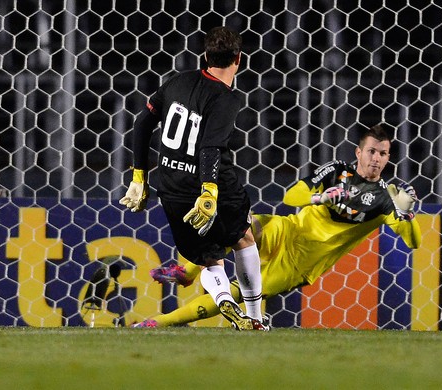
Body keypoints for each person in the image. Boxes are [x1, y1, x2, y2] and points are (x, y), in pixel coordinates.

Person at [132, 125, 422, 328]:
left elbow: (413, 242)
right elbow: (291, 195)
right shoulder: (336, 171)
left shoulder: (386, 199)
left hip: (300, 263)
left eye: (383, 154)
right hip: (289, 229)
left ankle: (159, 321)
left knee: (235, 294)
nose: (376, 159)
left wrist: (408, 216)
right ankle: (187, 271)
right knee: (244, 224)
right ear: (358, 153)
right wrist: (321, 197)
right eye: (372, 151)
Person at [120, 26, 267, 331]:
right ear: (239, 59)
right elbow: (210, 147)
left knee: (209, 260)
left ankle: (222, 295)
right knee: (244, 236)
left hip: (171, 187)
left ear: (205, 55)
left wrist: (139, 176)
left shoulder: (178, 82)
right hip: (212, 187)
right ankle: (254, 316)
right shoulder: (226, 99)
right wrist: (210, 191)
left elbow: (142, 123)